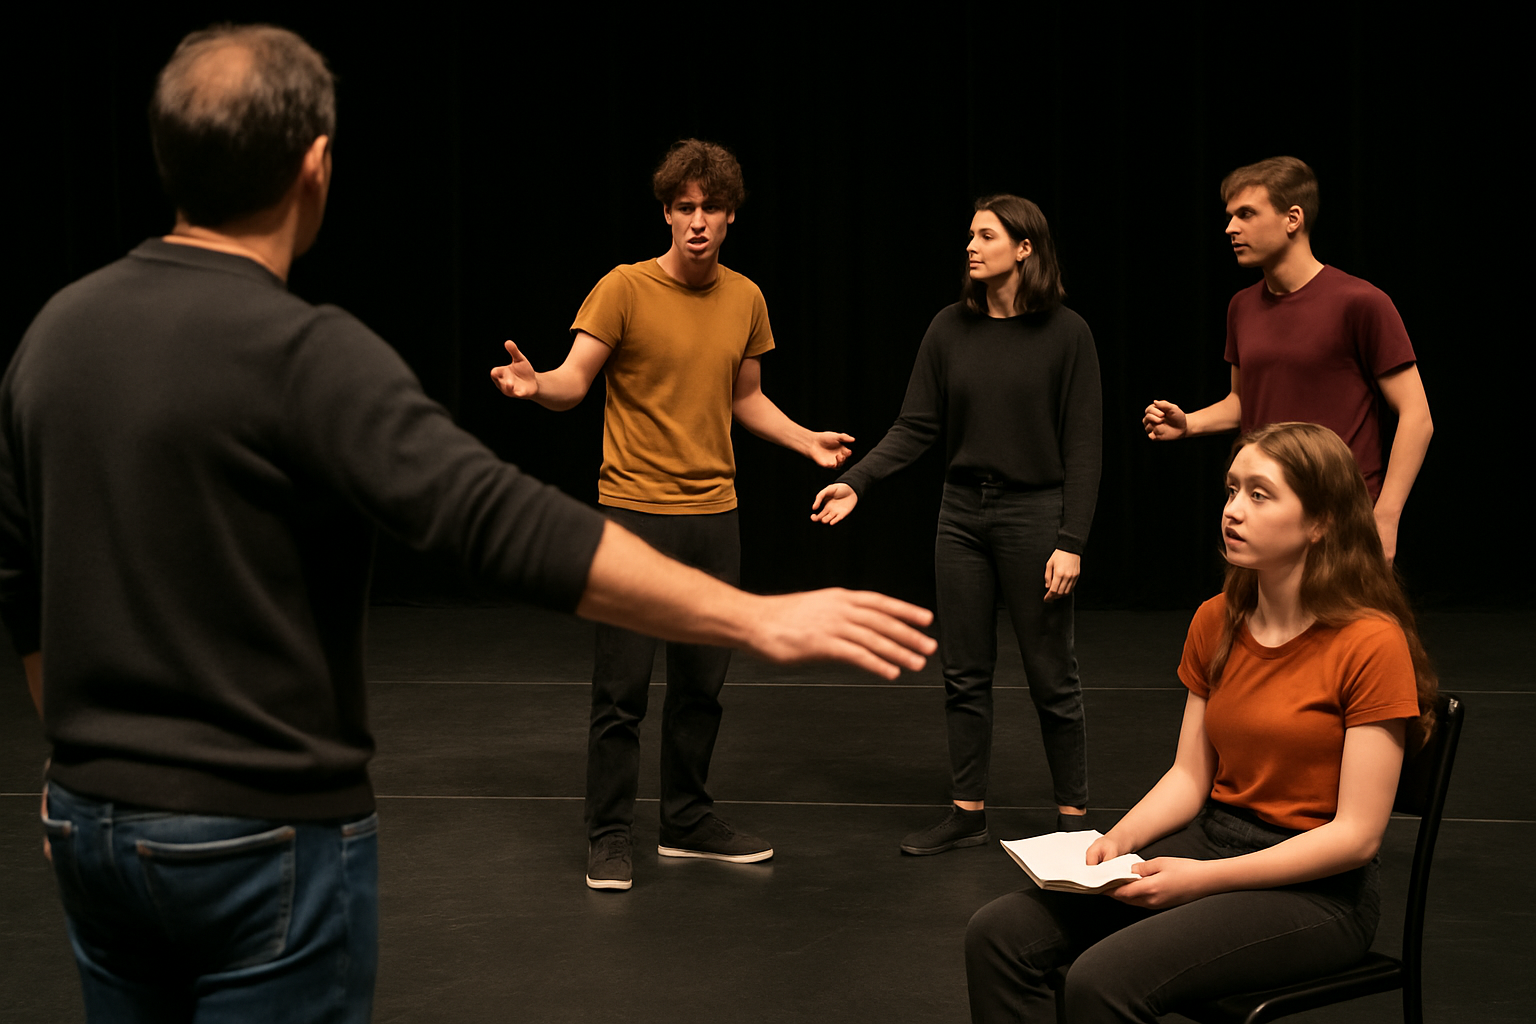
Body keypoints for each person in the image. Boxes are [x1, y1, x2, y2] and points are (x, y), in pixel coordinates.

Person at [0, 26, 937, 1024]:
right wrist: (755, 618)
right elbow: (496, 520)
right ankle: (612, 825)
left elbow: (23, 582)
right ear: (316, 167)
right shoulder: (311, 353)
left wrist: (78, 772)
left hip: (87, 820)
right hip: (262, 837)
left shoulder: (54, 333)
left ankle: (689, 815)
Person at [964, 421, 1437, 1023]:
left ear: (1320, 521)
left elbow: (1356, 837)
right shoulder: (1217, 619)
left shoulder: (1370, 642)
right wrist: (1119, 842)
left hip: (1319, 891)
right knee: (999, 933)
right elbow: (1190, 775)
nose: (1233, 510)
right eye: (1232, 490)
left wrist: (1204, 880)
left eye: (1259, 494)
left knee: (1102, 980)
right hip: (1213, 842)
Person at [489, 138, 856, 891]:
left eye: (711, 208)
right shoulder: (623, 288)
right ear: (666, 212)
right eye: (684, 207)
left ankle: (687, 820)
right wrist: (537, 387)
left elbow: (745, 397)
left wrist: (803, 439)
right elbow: (573, 379)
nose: (698, 221)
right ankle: (610, 833)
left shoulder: (745, 298)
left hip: (714, 517)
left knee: (701, 685)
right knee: (621, 692)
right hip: (632, 517)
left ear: (729, 218)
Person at [810, 195, 1102, 854]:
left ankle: (1074, 820)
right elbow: (916, 426)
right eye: (969, 236)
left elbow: (1084, 445)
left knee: (1052, 674)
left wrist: (1071, 542)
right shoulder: (949, 327)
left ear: (1025, 247)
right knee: (963, 671)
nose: (970, 247)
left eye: (985, 235)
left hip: (1035, 514)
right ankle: (967, 812)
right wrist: (858, 481)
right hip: (962, 514)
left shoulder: (1067, 334)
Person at [1141, 156, 1432, 562]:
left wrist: (1385, 515)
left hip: (1336, 517)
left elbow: (1417, 416)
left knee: (1343, 625)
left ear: (1292, 218)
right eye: (1230, 216)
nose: (1230, 228)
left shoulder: (1360, 302)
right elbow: (1244, 400)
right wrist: (1188, 424)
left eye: (1246, 214)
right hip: (1263, 513)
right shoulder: (1241, 306)